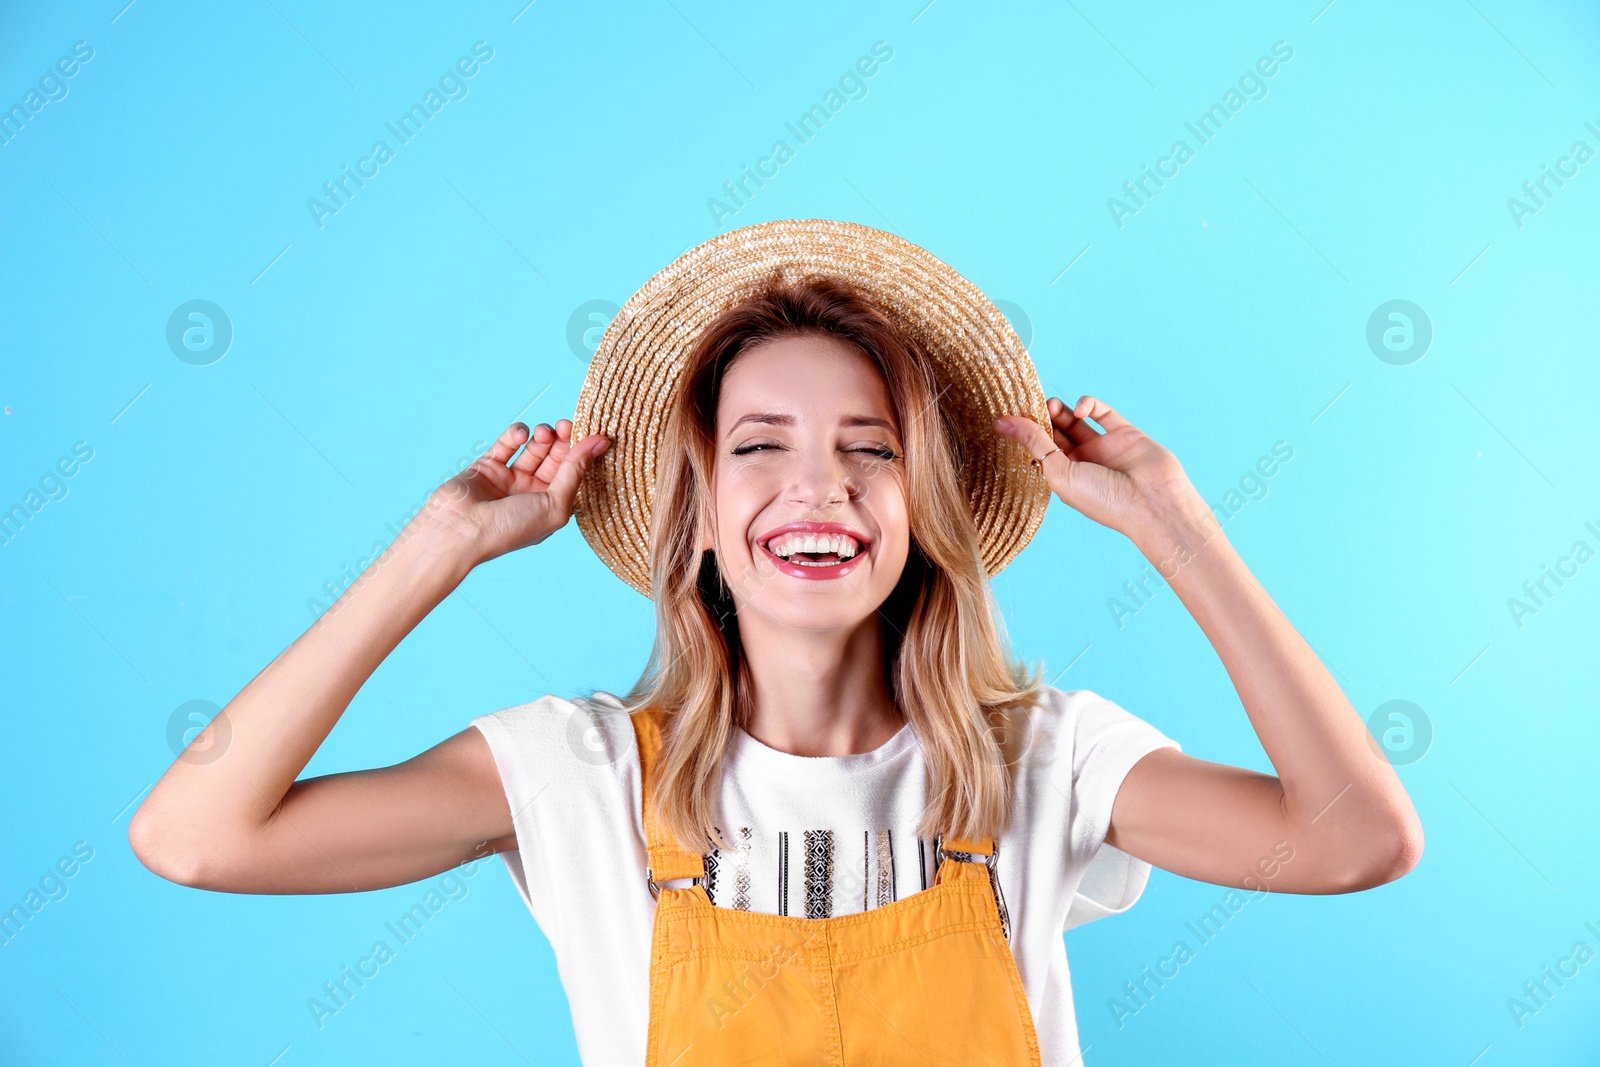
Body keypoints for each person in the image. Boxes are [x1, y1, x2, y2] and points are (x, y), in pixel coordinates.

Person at [129, 220, 1423, 1066]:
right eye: (760, 447)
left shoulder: (1044, 763)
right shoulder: (577, 781)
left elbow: (1357, 839)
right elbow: (197, 837)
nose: (820, 489)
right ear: (697, 513)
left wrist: (1177, 526)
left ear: (924, 511)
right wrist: (437, 547)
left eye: (872, 450)